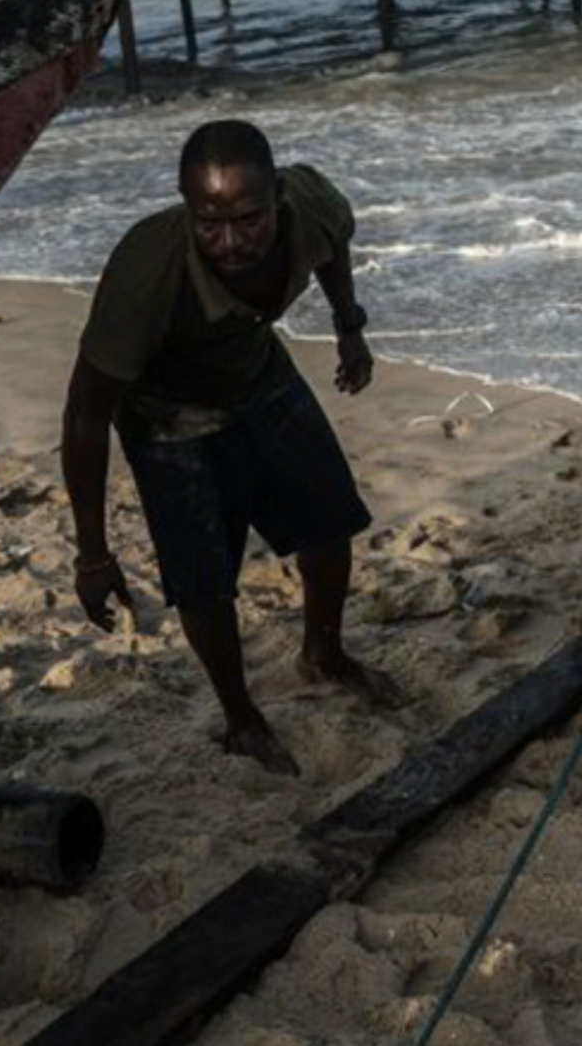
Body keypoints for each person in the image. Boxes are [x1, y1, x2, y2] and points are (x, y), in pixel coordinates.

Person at [62, 121, 394, 776]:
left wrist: (349, 326)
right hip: (168, 417)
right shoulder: (145, 274)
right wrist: (93, 554)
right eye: (209, 224)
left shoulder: (311, 202)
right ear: (187, 210)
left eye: (249, 220)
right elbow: (85, 413)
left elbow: (333, 244)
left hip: (258, 376)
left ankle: (324, 653)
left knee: (330, 523)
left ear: (278, 199)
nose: (231, 242)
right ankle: (241, 718)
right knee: (205, 584)